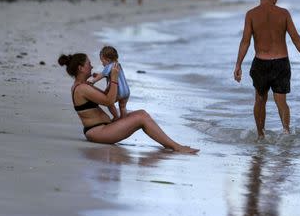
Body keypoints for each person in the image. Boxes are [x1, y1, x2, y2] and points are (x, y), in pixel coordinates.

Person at [59, 52, 198, 153]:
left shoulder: (83, 86)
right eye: (88, 64)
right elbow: (109, 100)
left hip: (102, 129)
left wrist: (113, 82)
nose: (92, 66)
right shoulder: (82, 88)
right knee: (141, 117)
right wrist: (113, 77)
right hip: (98, 132)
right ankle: (175, 146)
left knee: (142, 113)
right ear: (80, 68)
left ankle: (170, 144)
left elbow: (107, 98)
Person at [234, 0, 300, 138]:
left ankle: (260, 135)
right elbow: (296, 38)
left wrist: (238, 65)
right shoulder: (283, 13)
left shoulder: (251, 14)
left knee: (260, 100)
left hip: (260, 63)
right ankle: (286, 133)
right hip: (281, 62)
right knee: (281, 102)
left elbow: (245, 41)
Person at [90, 45, 130, 119]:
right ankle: (124, 119)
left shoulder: (109, 66)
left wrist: (93, 81)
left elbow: (103, 74)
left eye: (103, 61)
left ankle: (116, 117)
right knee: (123, 107)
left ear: (108, 60)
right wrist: (98, 75)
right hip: (126, 91)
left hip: (119, 91)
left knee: (109, 103)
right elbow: (111, 75)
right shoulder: (118, 65)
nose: (102, 64)